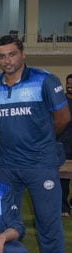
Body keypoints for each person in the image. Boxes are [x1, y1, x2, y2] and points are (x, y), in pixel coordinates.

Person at [0, 35, 70, 253]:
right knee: (6, 221)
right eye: (2, 56)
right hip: (7, 165)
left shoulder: (45, 80)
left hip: (40, 164)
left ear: (22, 54)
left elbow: (63, 118)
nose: (7, 60)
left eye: (12, 54)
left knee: (48, 222)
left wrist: (42, 144)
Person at [58, 73, 72, 216]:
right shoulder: (61, 101)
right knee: (63, 178)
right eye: (68, 83)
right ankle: (63, 208)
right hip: (64, 142)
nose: (70, 86)